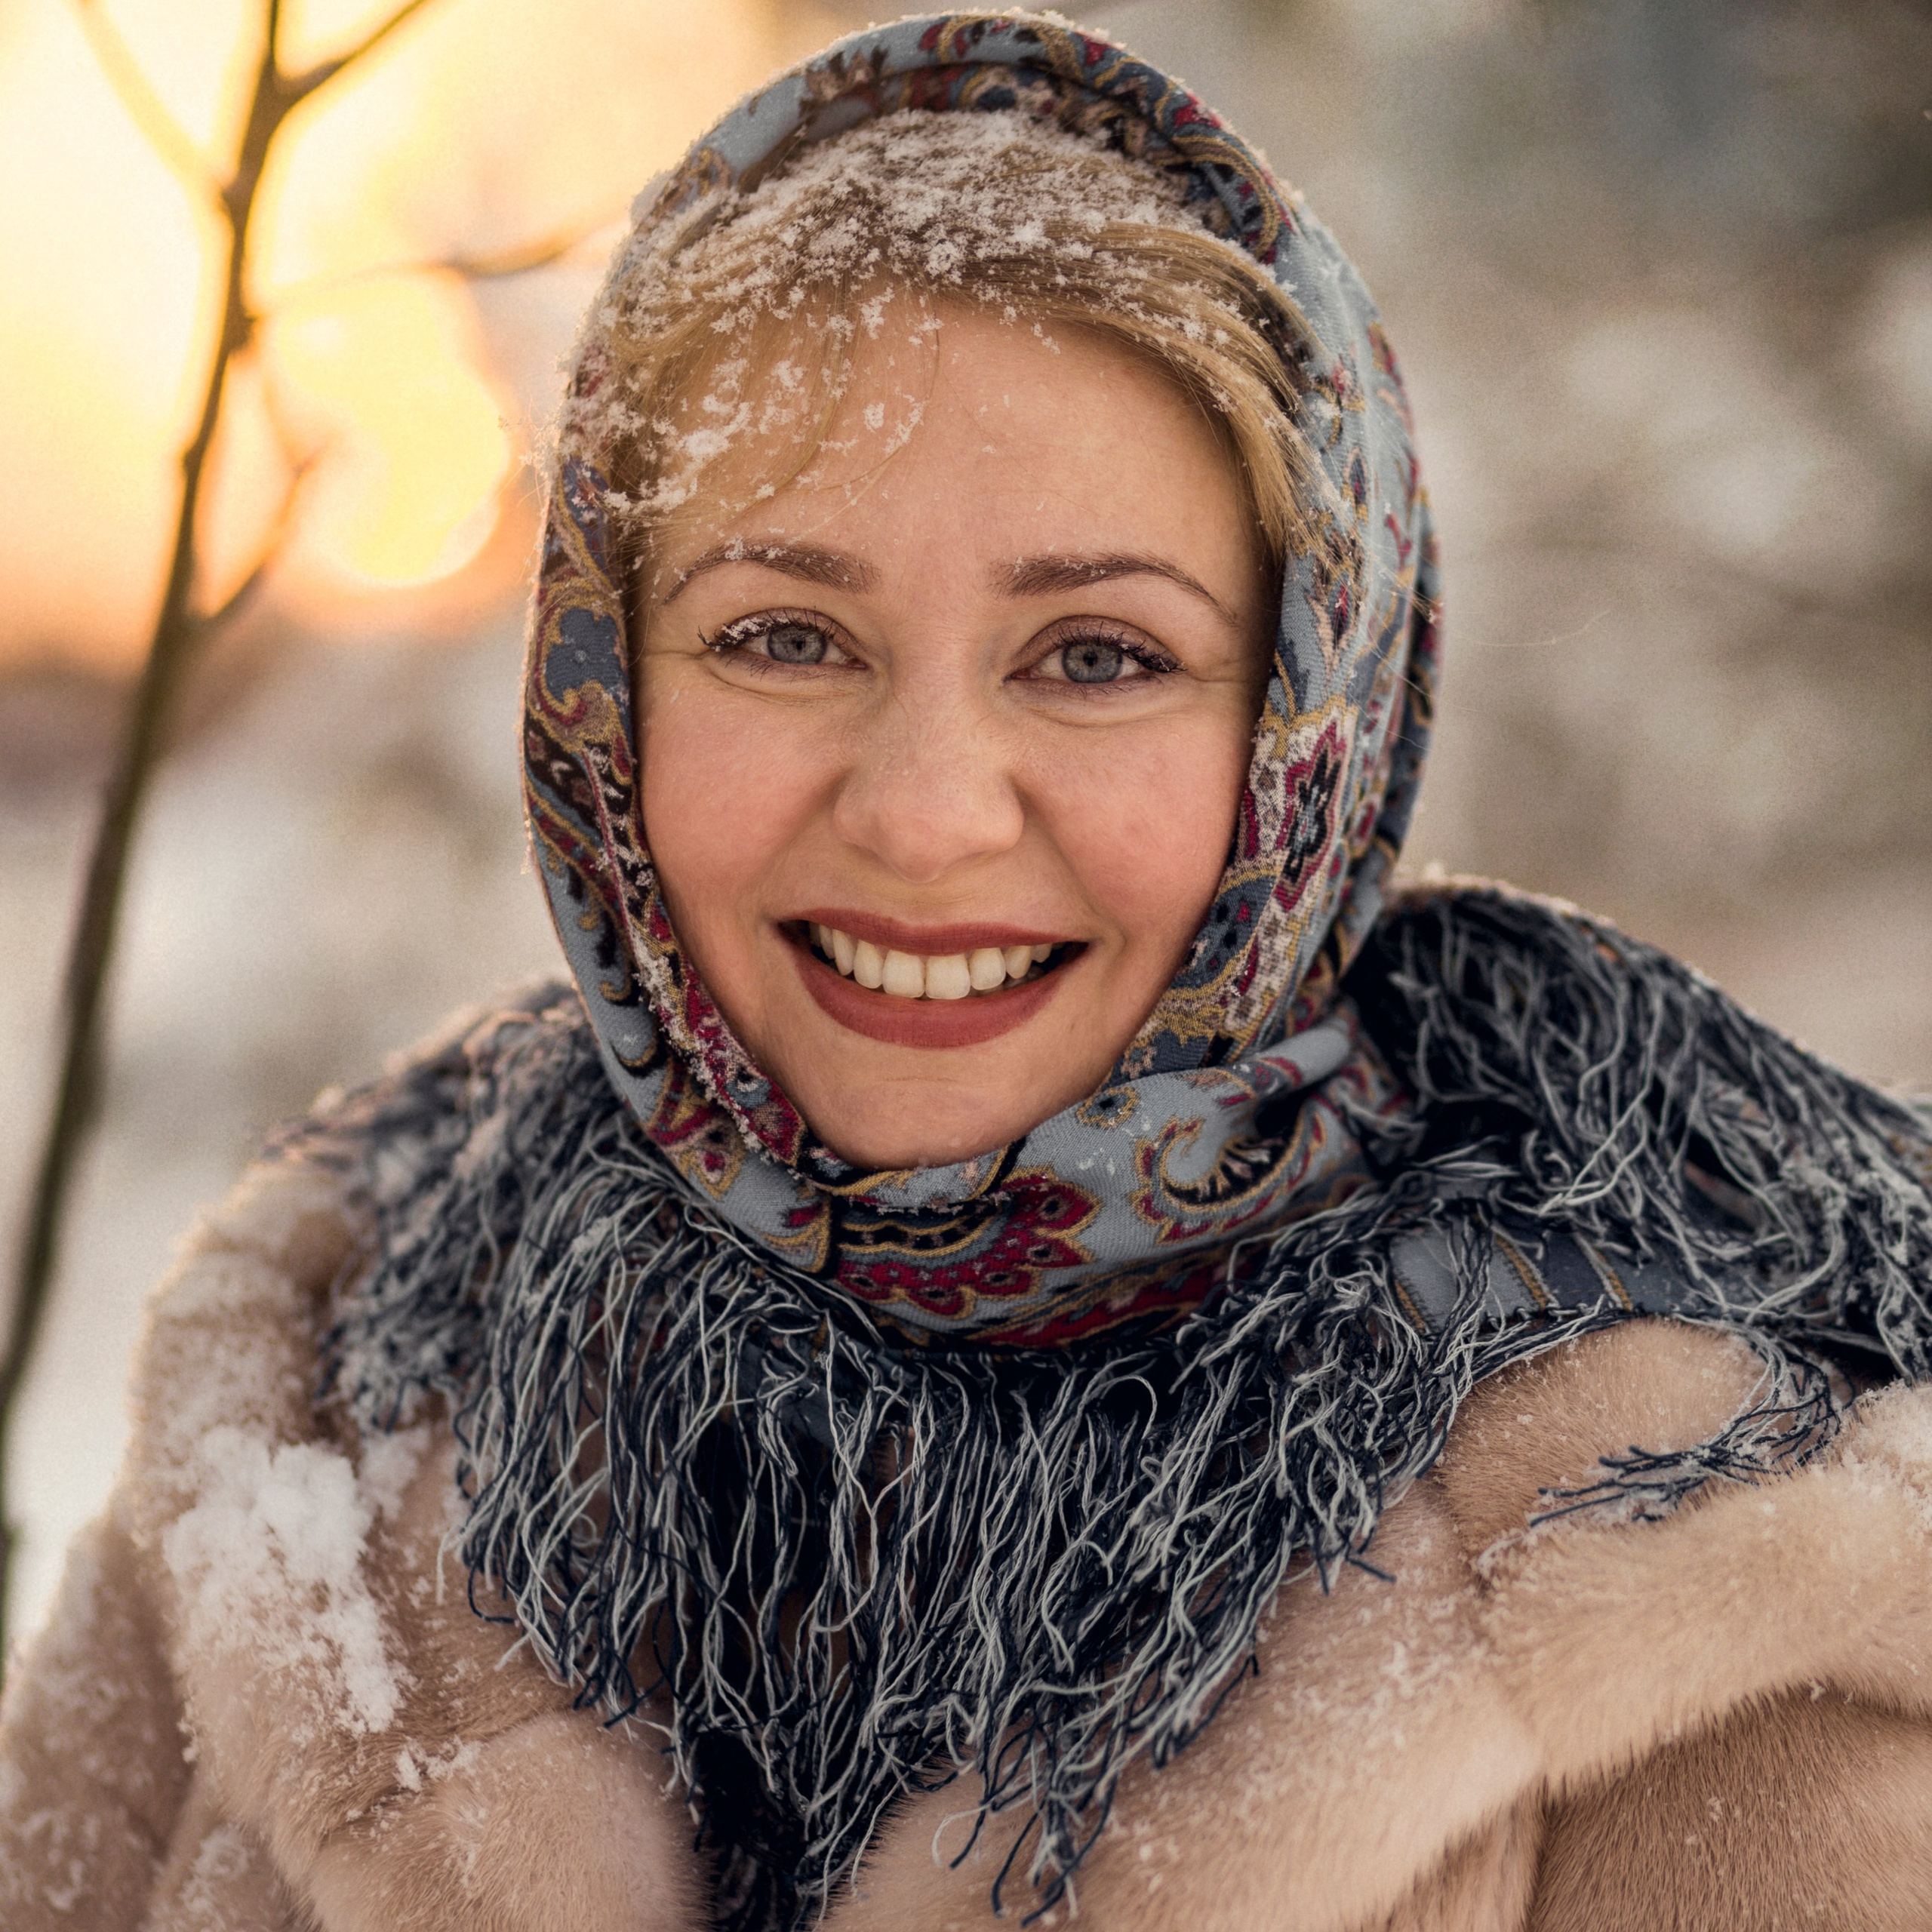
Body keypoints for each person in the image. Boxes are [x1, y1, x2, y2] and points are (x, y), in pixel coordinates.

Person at [5, 14, 1932, 1930]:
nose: (924, 815)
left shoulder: (1692, 1574)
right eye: (781, 633)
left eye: (1096, 654)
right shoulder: (316, 1433)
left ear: (1304, 731)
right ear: (601, 697)